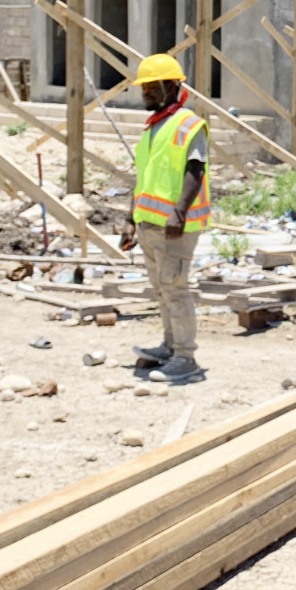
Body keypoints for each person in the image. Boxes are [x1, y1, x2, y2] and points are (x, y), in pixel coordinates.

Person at [120, 53, 210, 385]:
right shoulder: (154, 127)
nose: (144, 94)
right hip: (149, 224)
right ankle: (170, 346)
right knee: (161, 290)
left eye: (150, 88)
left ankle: (186, 358)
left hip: (175, 227)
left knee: (175, 290)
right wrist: (130, 218)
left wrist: (180, 212)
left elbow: (195, 170)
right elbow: (143, 177)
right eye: (143, 88)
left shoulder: (188, 124)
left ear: (171, 86)